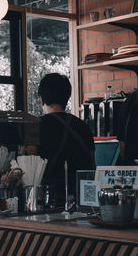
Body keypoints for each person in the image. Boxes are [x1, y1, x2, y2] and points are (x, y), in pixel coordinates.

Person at [37, 73, 95, 206]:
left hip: (49, 201)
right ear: (67, 97)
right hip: (82, 200)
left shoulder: (36, 127)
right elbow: (92, 164)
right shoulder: (83, 126)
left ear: (41, 99)